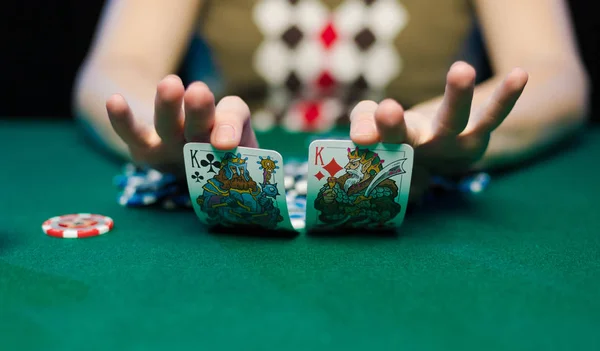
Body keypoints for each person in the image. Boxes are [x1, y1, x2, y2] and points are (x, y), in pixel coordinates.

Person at [73, 0, 589, 202]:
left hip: (426, 158)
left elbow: (556, 74)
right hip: (230, 154)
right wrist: (172, 133)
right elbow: (116, 66)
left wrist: (440, 128)